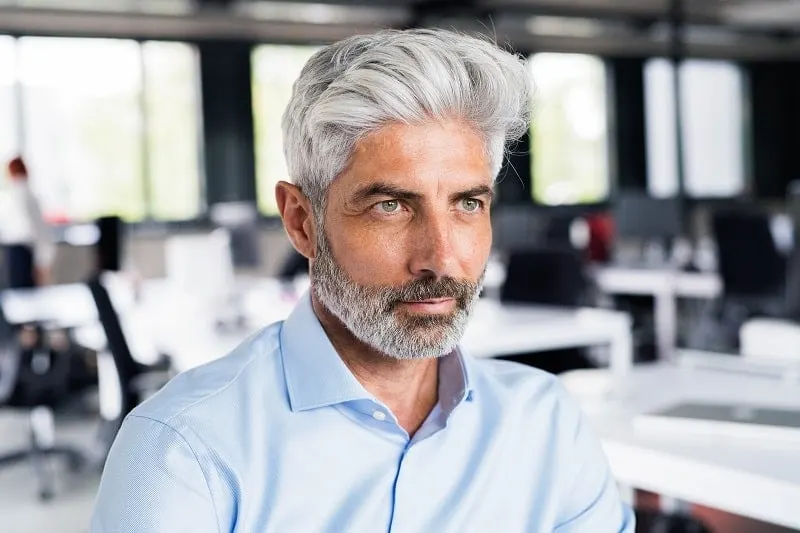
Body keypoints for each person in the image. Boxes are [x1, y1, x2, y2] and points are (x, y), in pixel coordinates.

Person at [91, 29, 634, 532]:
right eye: (391, 206)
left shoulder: (545, 423)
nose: (441, 259)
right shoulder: (186, 453)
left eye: (468, 204)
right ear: (302, 222)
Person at [0, 156, 54, 288]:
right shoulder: (19, 195)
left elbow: (37, 231)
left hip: (22, 253)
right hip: (19, 252)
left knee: (22, 295)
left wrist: (43, 261)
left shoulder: (21, 196)